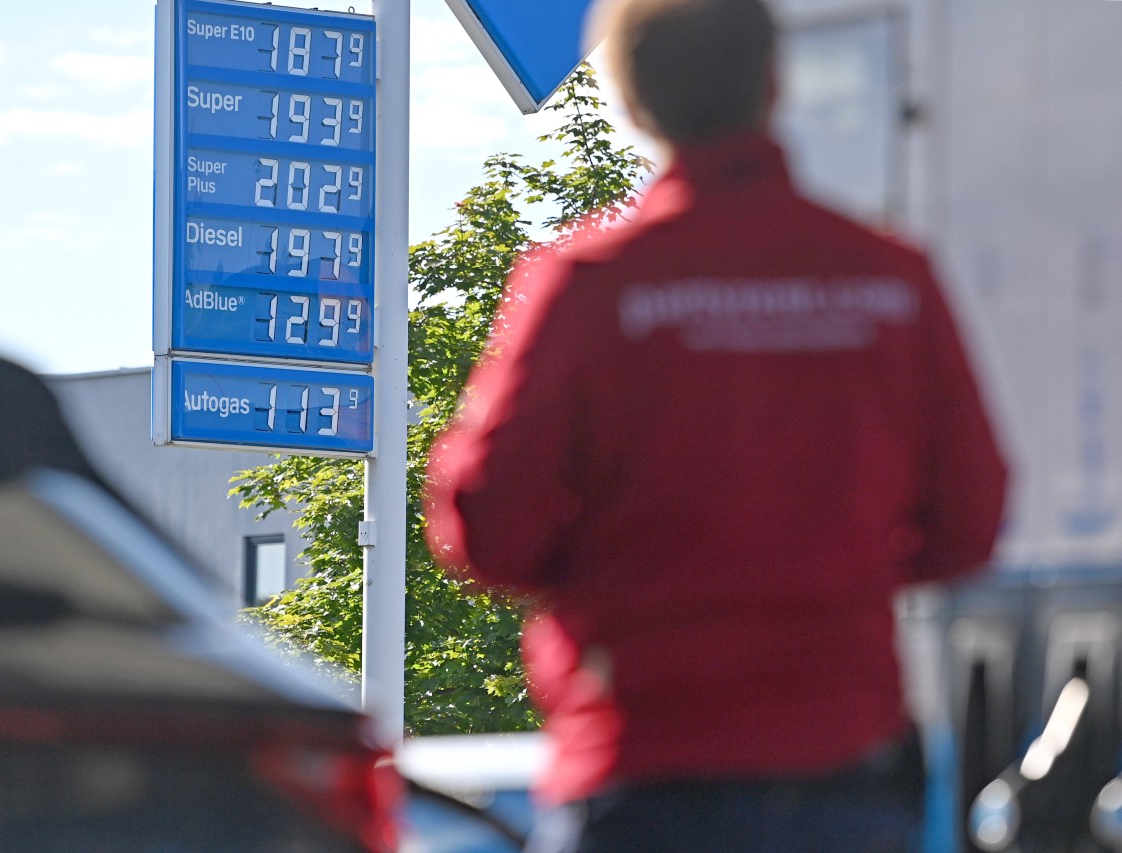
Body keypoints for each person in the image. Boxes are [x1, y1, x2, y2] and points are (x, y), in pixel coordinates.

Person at [422, 0, 1008, 850]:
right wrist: (833, 579)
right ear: (773, 85)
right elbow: (970, 519)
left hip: (648, 772)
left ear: (629, 102)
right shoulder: (890, 280)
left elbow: (486, 525)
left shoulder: (590, 285)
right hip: (843, 769)